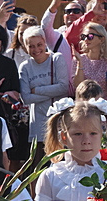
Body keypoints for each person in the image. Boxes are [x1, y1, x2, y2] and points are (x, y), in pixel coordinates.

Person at [18, 25, 70, 174]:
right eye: (31, 46)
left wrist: (37, 90)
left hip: (58, 123)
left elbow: (63, 88)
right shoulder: (25, 67)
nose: (36, 49)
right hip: (38, 125)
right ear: (25, 47)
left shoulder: (56, 59)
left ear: (45, 42)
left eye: (39, 44)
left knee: (60, 167)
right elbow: (26, 98)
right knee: (37, 169)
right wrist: (50, 89)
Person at [71, 21, 107, 98]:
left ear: (102, 39)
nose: (86, 39)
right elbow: (77, 86)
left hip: (104, 105)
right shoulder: (79, 59)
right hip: (84, 105)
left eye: (90, 36)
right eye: (84, 36)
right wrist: (80, 62)